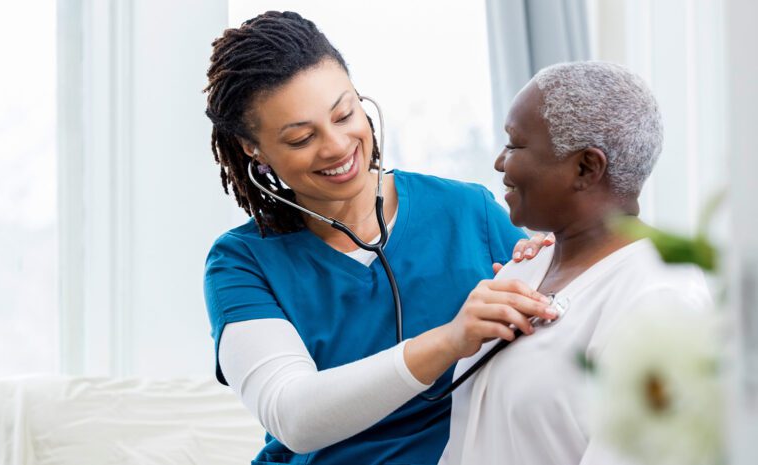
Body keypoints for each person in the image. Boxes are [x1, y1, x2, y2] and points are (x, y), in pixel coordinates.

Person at [203, 11, 554, 465]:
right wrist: (451, 339)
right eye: (301, 138)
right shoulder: (242, 262)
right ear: (255, 149)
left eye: (345, 113)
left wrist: (552, 270)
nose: (336, 146)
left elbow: (557, 345)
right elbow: (294, 417)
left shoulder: (468, 212)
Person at [439, 61, 712, 465]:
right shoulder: (524, 267)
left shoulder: (661, 300)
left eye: (514, 145)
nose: (499, 162)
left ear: (586, 167)